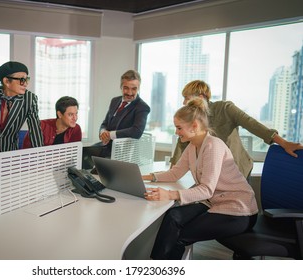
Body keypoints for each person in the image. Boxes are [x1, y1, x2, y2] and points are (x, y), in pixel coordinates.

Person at [142, 97, 258, 260]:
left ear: (194, 126)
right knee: (173, 216)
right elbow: (175, 173)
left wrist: (170, 195)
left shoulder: (213, 146)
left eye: (179, 127)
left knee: (178, 236)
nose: (176, 132)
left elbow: (207, 189)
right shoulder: (192, 146)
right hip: (215, 201)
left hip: (238, 211)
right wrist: (144, 177)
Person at [170, 80, 303, 178]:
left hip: (237, 168)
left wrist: (283, 143)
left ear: (200, 97)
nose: (183, 103)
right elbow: (182, 143)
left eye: (186, 98)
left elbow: (252, 124)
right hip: (212, 172)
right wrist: (172, 173)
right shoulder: (192, 119)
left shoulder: (224, 108)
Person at [84, 70, 150, 170]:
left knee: (96, 170)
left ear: (139, 88)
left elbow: (137, 131)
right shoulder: (115, 101)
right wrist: (103, 132)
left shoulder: (142, 107)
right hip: (106, 147)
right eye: (126, 88)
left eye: (134, 89)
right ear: (121, 87)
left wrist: (110, 135)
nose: (129, 92)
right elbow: (105, 123)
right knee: (82, 156)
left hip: (123, 154)